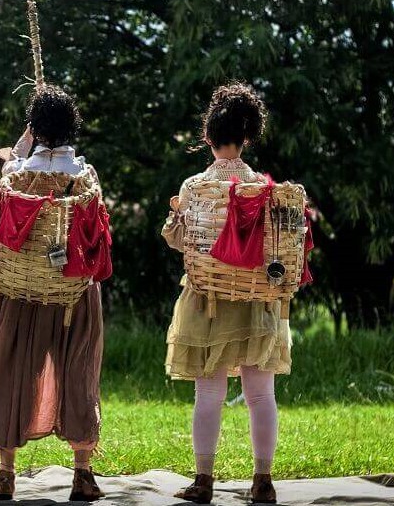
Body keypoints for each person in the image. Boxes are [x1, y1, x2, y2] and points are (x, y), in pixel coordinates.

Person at [0, 84, 106, 502]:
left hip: (20, 291)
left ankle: (6, 473)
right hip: (72, 292)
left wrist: (22, 145)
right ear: (73, 128)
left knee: (11, 370)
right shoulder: (84, 175)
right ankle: (82, 473)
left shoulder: (16, 174)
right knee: (78, 370)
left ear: (34, 128)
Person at [162, 82, 287, 504]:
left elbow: (182, 242)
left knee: (209, 392)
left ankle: (203, 480)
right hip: (256, 301)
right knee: (260, 394)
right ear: (247, 136)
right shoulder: (264, 190)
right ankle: (263, 481)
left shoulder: (194, 187)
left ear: (208, 136)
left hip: (208, 302)